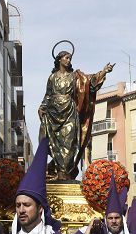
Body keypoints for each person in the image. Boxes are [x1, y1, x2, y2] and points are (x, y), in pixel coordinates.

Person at [37, 47, 113, 181]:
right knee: (55, 146)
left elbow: (90, 82)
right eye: (66, 58)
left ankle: (64, 176)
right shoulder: (52, 78)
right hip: (53, 114)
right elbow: (48, 96)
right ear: (59, 59)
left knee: (69, 144)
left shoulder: (75, 76)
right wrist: (43, 107)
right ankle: (59, 174)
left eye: (70, 58)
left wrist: (103, 72)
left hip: (70, 113)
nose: (68, 60)